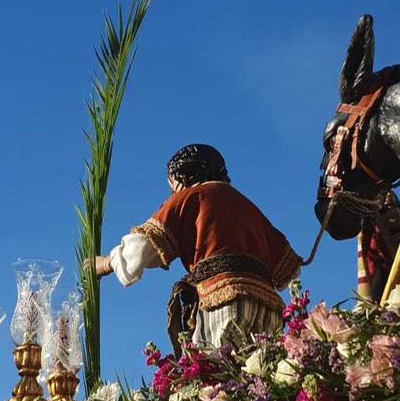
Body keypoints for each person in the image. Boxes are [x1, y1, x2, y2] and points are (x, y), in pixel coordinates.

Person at [93, 144, 301, 350]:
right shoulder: (249, 208)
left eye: (172, 186)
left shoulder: (191, 197)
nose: (172, 193)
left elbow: (141, 249)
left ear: (183, 178)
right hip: (269, 309)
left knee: (219, 373)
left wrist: (106, 263)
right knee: (260, 374)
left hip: (222, 300)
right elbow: (288, 268)